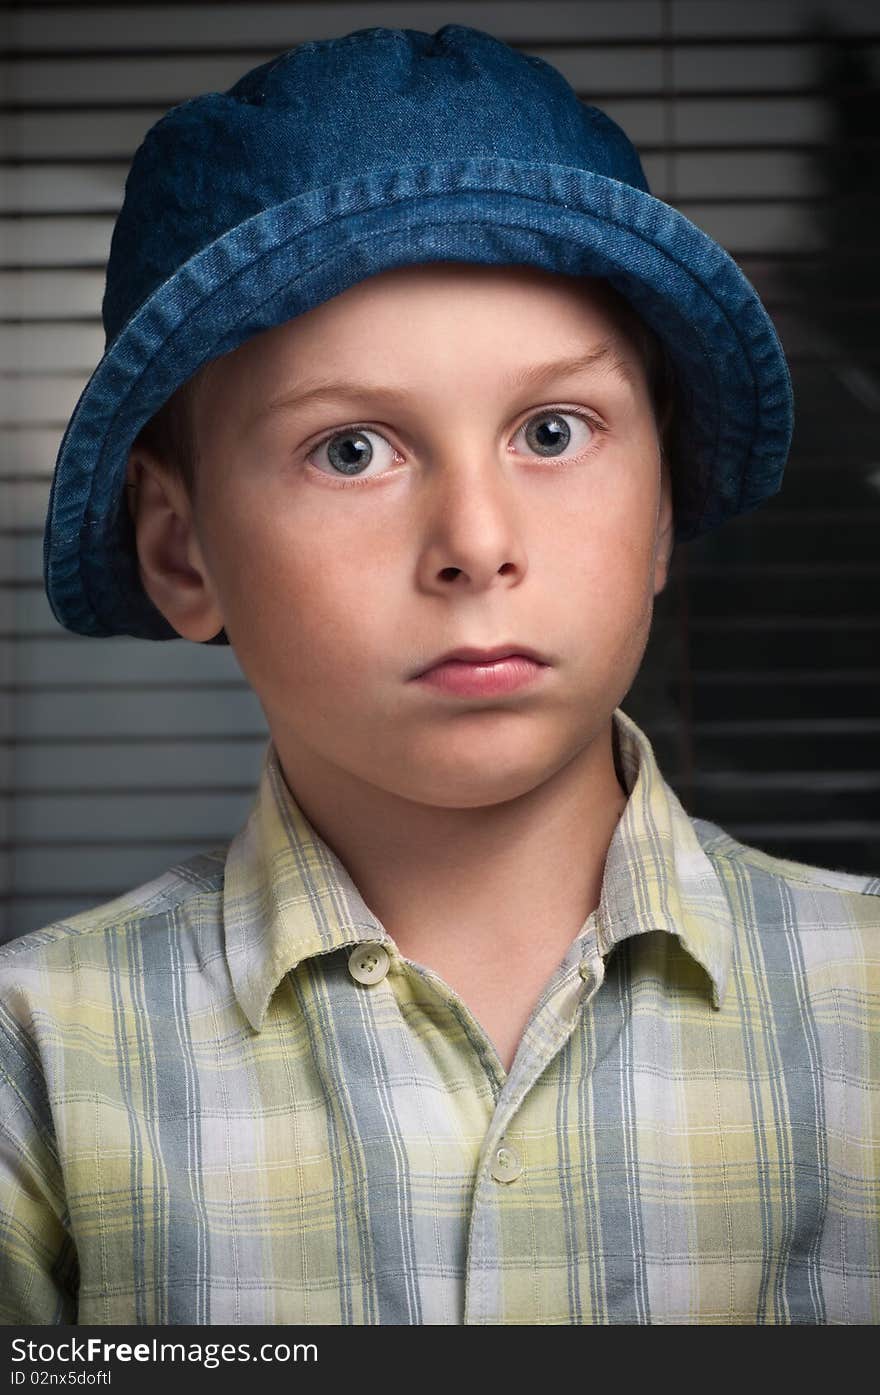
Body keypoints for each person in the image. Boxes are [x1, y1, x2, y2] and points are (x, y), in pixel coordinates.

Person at [1, 24, 877, 1327]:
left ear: (658, 512)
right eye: (352, 450)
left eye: (553, 431)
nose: (476, 544)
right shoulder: (37, 1069)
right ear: (183, 553)